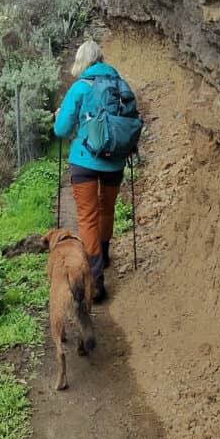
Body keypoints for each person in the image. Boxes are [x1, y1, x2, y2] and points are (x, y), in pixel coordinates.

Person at [53, 40, 130, 302]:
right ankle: (104, 255)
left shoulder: (79, 88)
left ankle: (95, 281)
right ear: (101, 58)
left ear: (81, 61)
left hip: (85, 162)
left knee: (87, 218)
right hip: (116, 161)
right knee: (106, 209)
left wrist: (59, 116)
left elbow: (62, 130)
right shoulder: (121, 85)